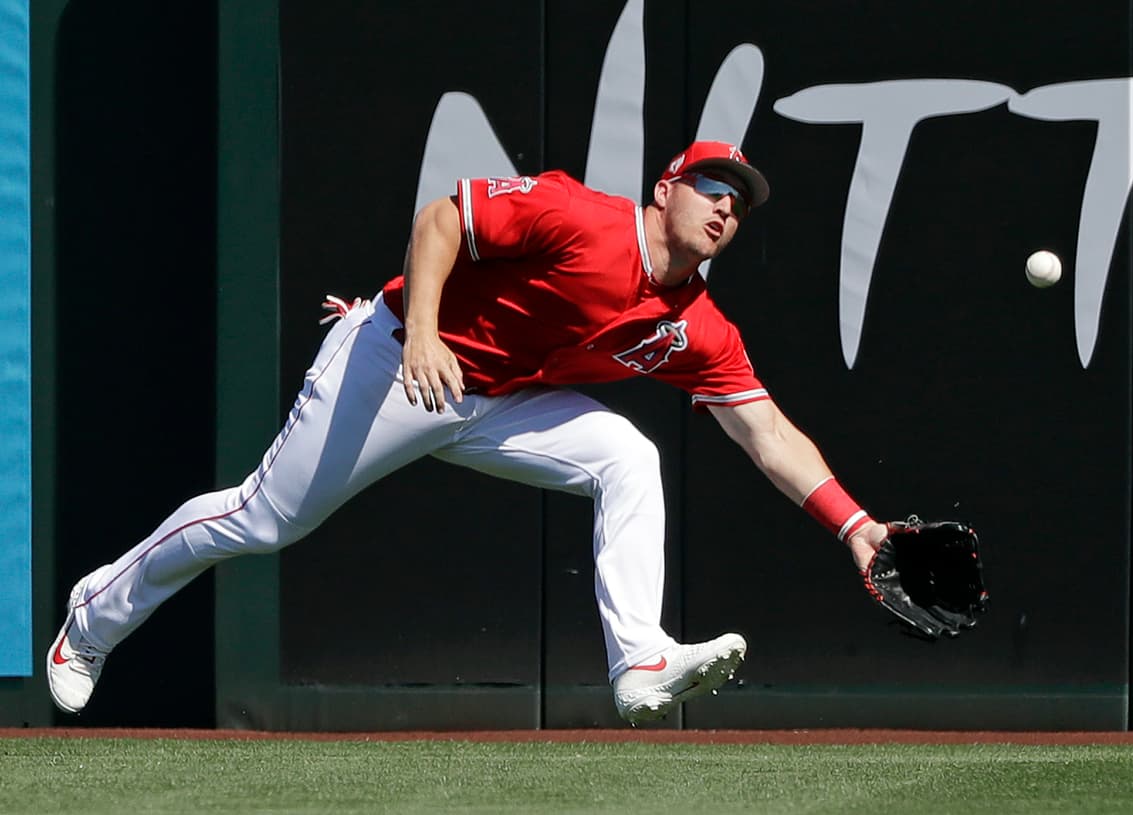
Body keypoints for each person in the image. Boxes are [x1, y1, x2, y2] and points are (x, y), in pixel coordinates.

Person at [47, 141, 890, 723]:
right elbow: (441, 220)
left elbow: (767, 430)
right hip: (398, 361)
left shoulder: (700, 326)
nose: (725, 207)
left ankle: (639, 661)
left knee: (629, 456)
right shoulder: (583, 217)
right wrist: (419, 328)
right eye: (712, 187)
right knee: (265, 518)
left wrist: (856, 527)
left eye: (738, 203)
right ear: (665, 189)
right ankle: (93, 613)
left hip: (498, 400)